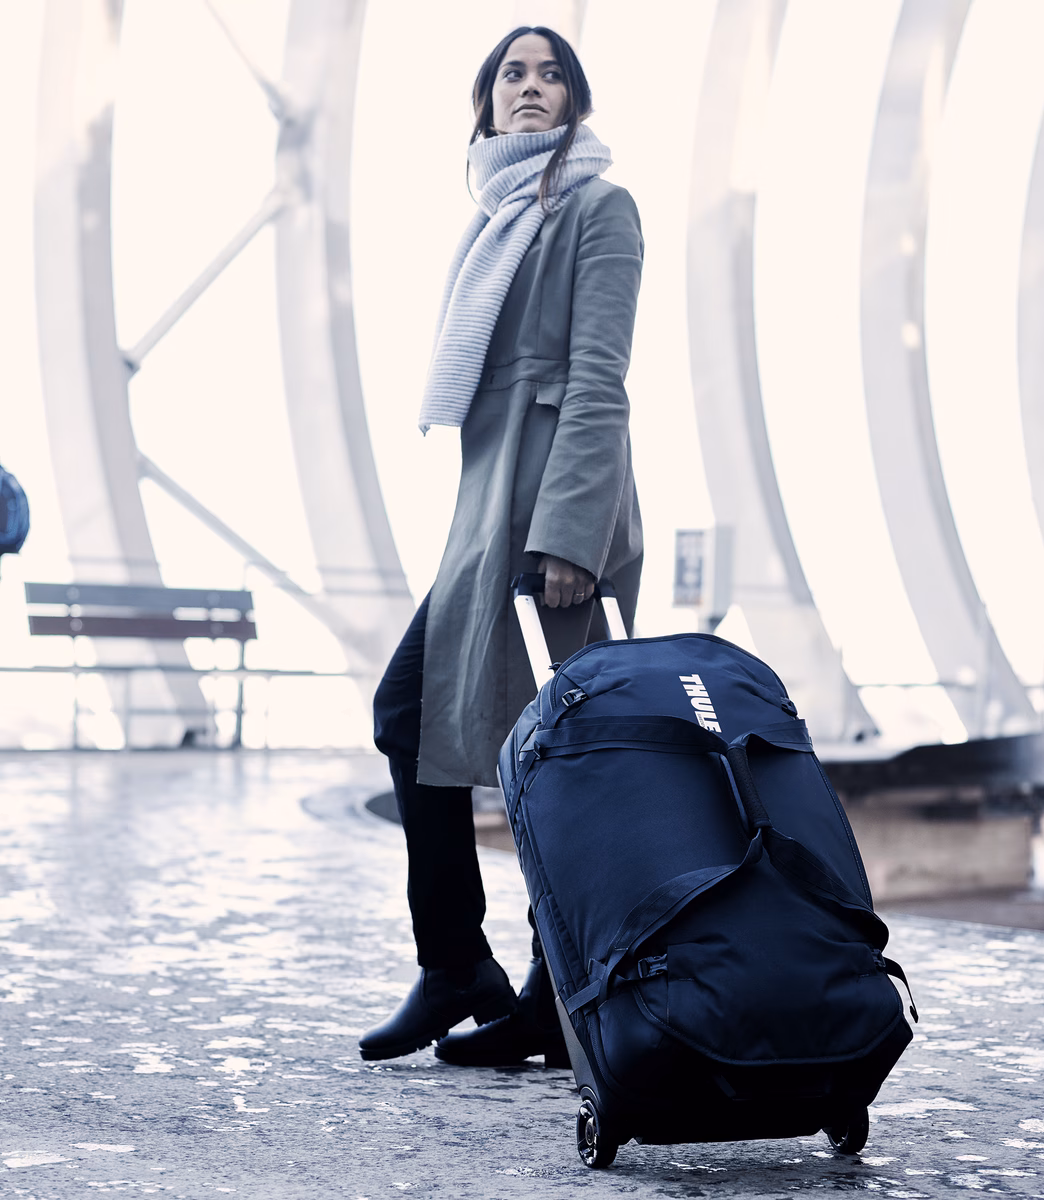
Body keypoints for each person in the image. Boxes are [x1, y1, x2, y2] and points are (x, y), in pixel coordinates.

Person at [360, 26, 643, 1067]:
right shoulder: (495, 217)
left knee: (556, 758)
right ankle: (462, 967)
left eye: (550, 73)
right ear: (487, 104)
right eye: (511, 75)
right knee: (411, 717)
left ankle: (553, 995)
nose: (531, 87)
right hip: (486, 520)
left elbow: (602, 375)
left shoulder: (599, 208)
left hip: (555, 515)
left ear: (577, 98)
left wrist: (570, 535)